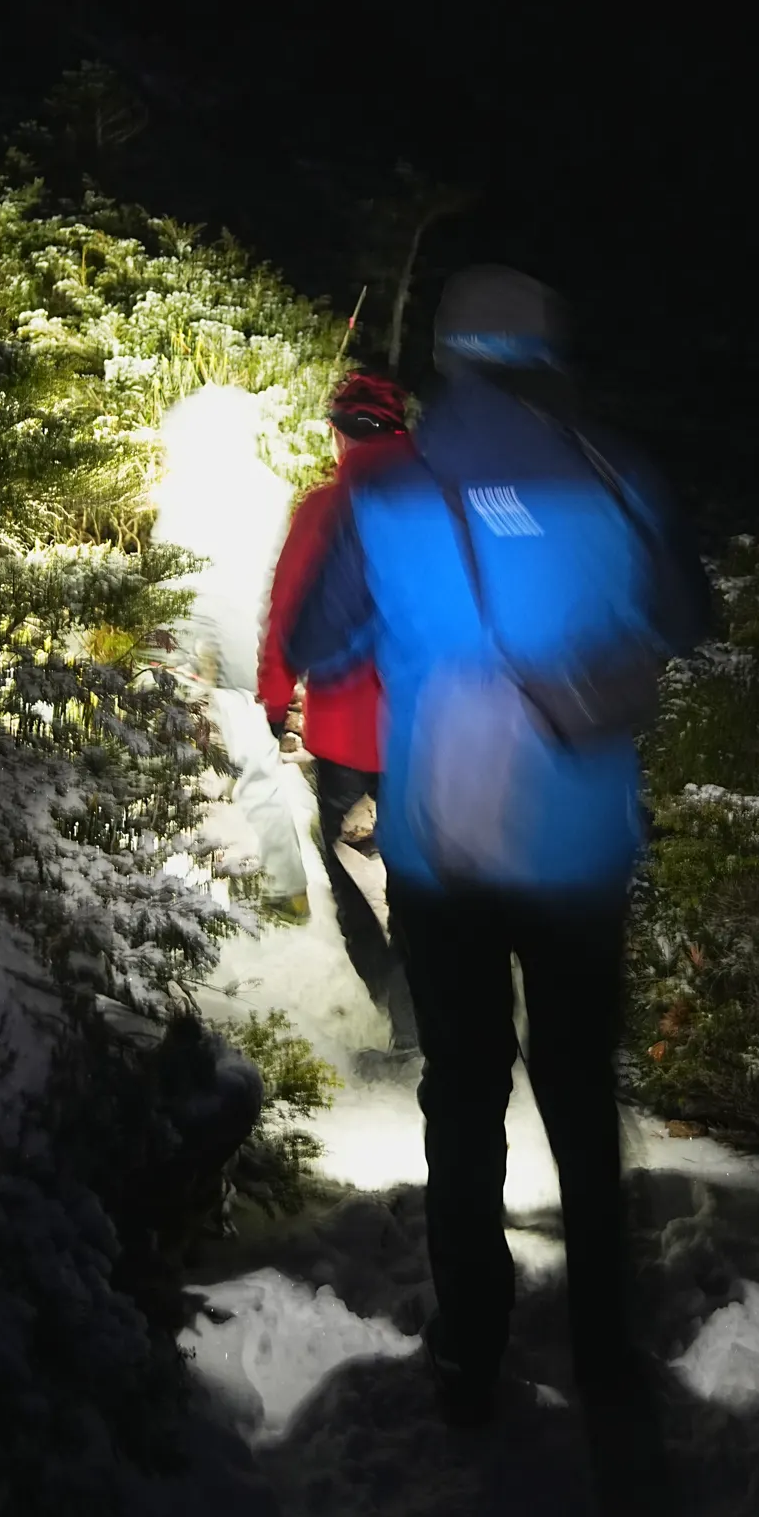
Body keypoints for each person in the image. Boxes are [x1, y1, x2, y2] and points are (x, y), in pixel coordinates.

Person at [286, 265, 712, 1502]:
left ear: (447, 361)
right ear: (548, 353)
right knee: (582, 1100)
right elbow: (688, 616)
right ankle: (605, 1360)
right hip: (576, 852)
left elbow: (319, 642)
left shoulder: (390, 490)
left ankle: (471, 1350)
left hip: (439, 848)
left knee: (463, 1093)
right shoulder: (622, 474)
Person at [258, 368, 420, 1045]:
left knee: (349, 878)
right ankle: (439, 1014)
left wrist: (273, 699)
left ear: (339, 433)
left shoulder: (324, 510)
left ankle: (401, 1017)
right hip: (429, 736)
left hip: (348, 738)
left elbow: (288, 612)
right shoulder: (439, 507)